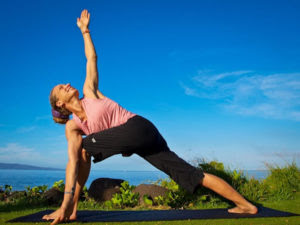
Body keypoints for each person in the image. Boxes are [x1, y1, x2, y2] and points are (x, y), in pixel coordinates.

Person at [43, 9, 258, 225]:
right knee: (190, 174)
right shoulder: (73, 127)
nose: (67, 85)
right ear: (60, 104)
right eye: (62, 88)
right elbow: (74, 164)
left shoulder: (90, 92)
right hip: (139, 141)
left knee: (83, 149)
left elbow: (91, 58)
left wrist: (85, 31)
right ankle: (246, 205)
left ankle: (68, 207)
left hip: (138, 127)